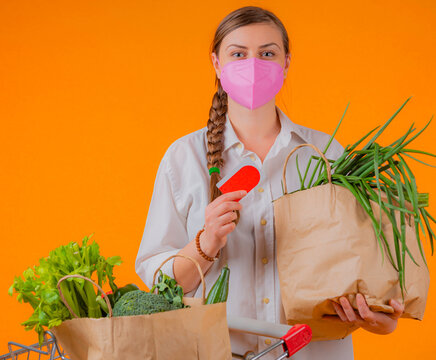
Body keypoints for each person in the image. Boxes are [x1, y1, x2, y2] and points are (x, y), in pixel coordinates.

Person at [135, 6, 404, 359]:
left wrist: (379, 314)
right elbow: (160, 289)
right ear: (216, 64)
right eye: (238, 54)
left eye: (267, 53)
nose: (253, 64)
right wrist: (207, 241)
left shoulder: (325, 153)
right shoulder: (183, 159)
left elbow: (363, 263)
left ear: (286, 62)